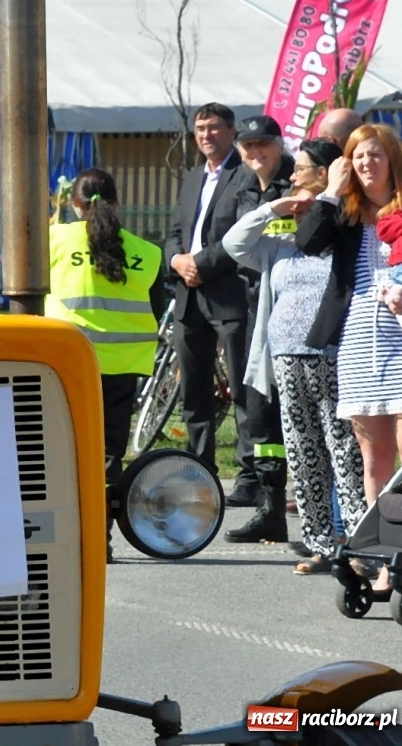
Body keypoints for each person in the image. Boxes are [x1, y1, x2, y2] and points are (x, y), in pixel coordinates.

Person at [224, 138, 366, 558]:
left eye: (300, 168)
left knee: (343, 449)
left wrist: (327, 197)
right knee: (303, 452)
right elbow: (235, 245)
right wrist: (271, 209)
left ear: (325, 176)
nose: (290, 176)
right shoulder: (282, 239)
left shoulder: (346, 226)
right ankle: (320, 542)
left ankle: (356, 541)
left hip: (332, 354)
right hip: (285, 356)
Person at [296, 124, 402, 533]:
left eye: (376, 154)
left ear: (392, 160)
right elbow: (307, 242)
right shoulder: (343, 213)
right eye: (359, 155)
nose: (367, 163)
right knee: (374, 458)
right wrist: (330, 190)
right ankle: (384, 555)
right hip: (360, 342)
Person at [163, 102, 276, 508]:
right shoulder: (193, 177)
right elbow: (176, 230)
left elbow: (242, 235)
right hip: (189, 297)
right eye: (199, 129)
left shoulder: (245, 174)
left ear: (231, 132)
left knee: (244, 391)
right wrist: (176, 260)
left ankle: (247, 477)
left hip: (230, 294)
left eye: (213, 128)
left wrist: (200, 264)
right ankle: (199, 470)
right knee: (194, 392)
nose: (206, 135)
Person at [45, 169, 163, 545]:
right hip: (122, 366)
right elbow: (155, 309)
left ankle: (68, 534)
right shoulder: (148, 253)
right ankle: (101, 537)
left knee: (64, 446)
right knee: (108, 452)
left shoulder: (54, 241)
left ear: (72, 204)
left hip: (68, 361)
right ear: (117, 203)